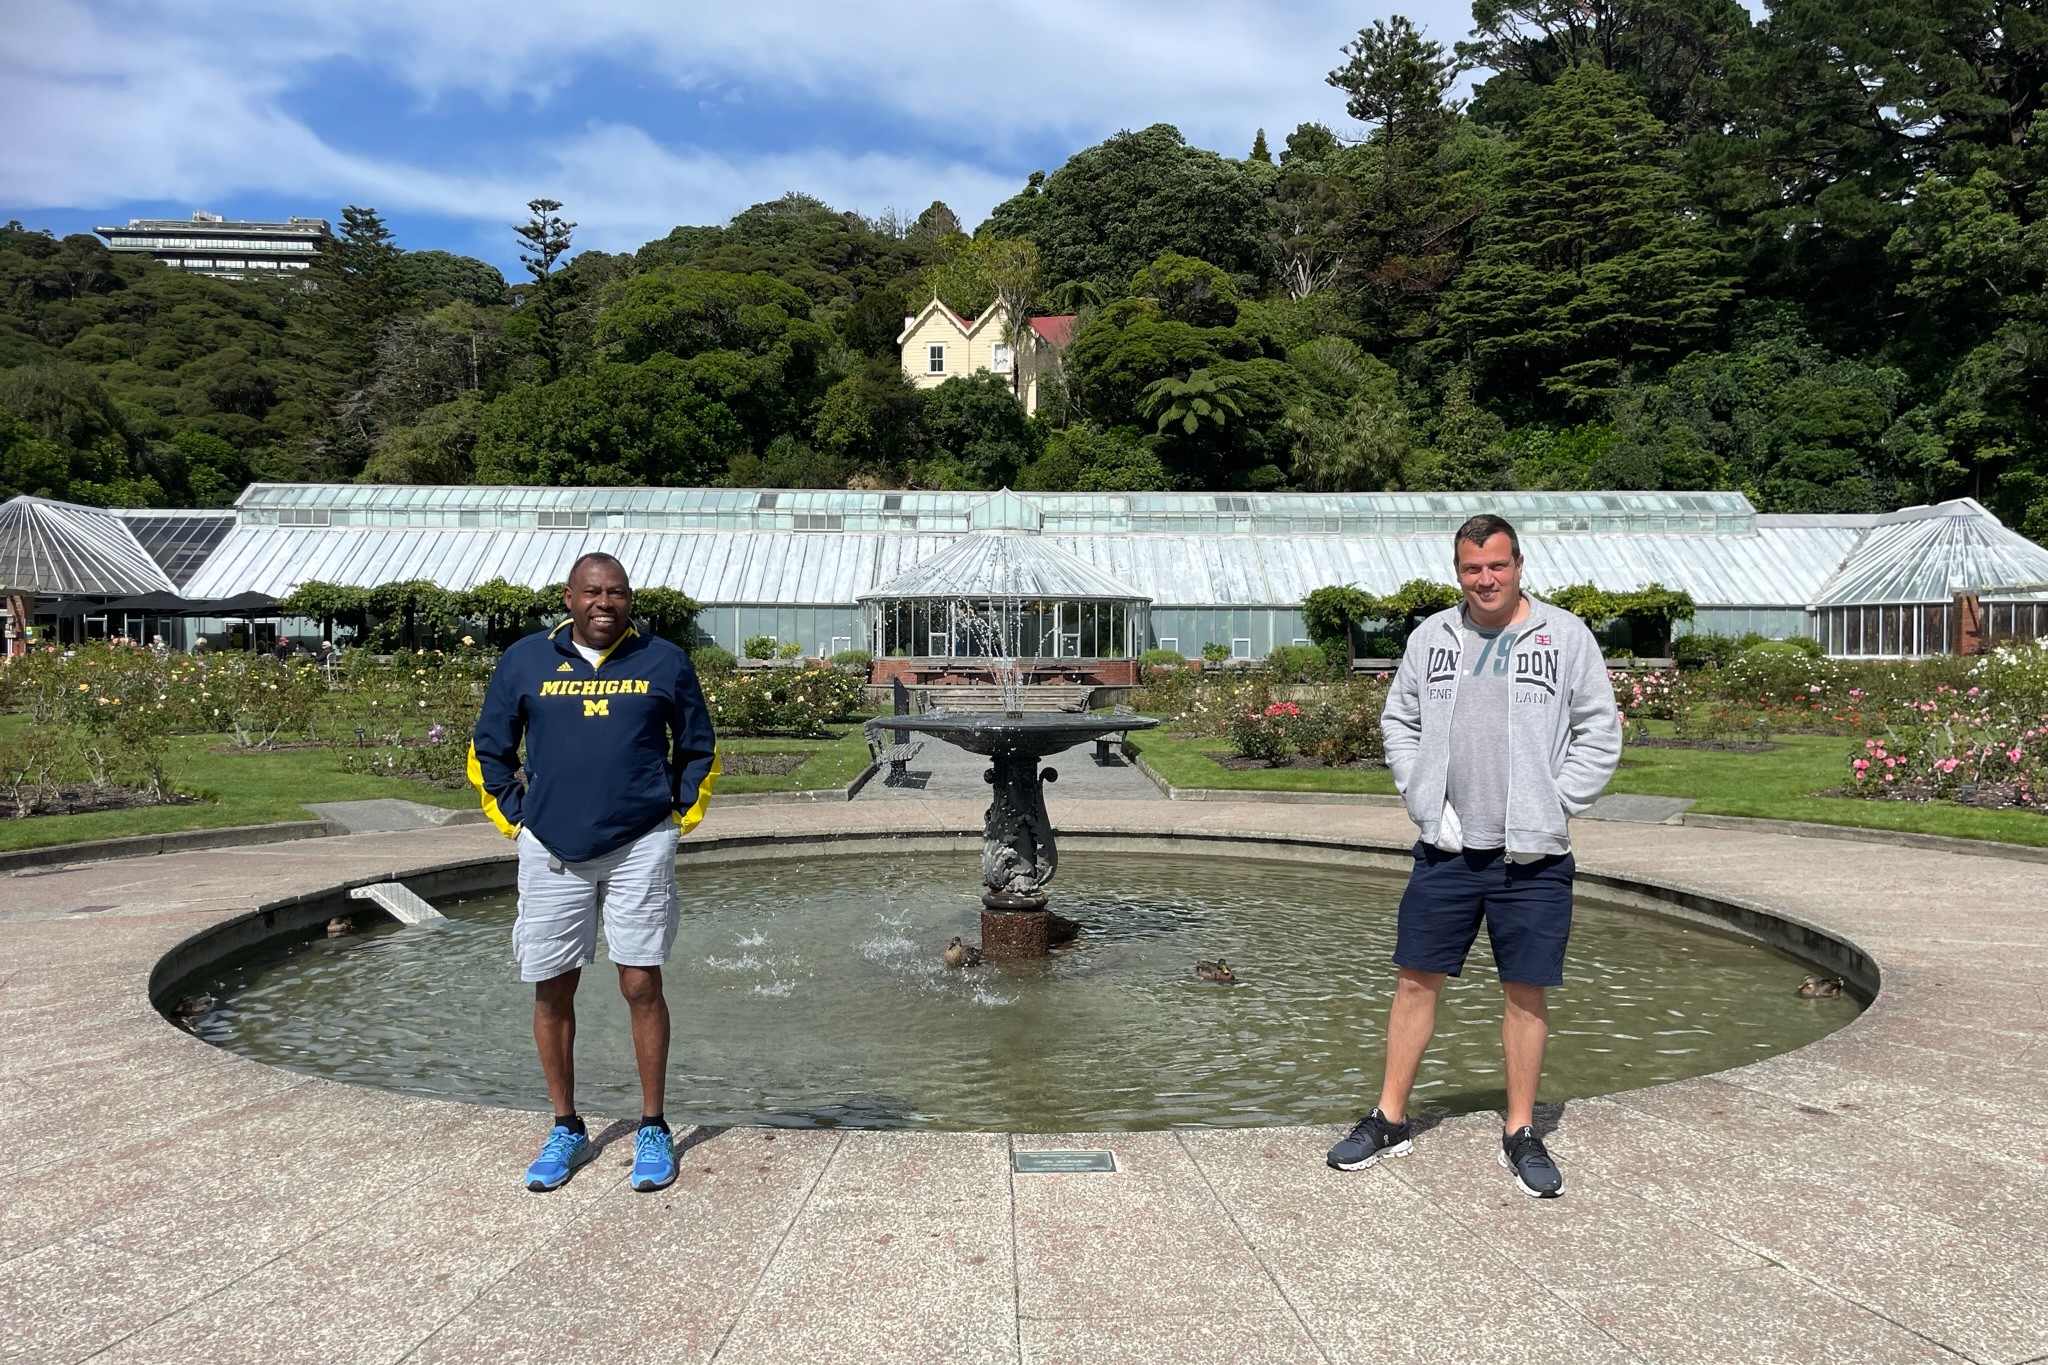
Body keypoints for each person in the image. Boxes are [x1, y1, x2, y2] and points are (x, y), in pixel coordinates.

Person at [1327, 514, 1620, 1197]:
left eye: (1496, 565)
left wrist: (1557, 800)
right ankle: (1390, 1117)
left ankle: (1521, 1130)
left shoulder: (1564, 635)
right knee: (1414, 979)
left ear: (1519, 564)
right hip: (1448, 848)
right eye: (1470, 567)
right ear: (1457, 571)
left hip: (1534, 855)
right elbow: (1398, 719)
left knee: (1525, 990)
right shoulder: (1432, 637)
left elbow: (1599, 729)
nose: (1484, 578)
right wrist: (1418, 791)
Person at [469, 553, 720, 1194]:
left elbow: (698, 745)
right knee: (553, 987)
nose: (604, 603)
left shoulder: (663, 660)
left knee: (641, 983)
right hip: (552, 847)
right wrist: (519, 822)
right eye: (592, 592)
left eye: (616, 593)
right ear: (568, 597)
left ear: (629, 599)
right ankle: (566, 1126)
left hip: (639, 843)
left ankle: (654, 1126)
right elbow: (488, 748)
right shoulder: (526, 659)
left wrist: (673, 821)